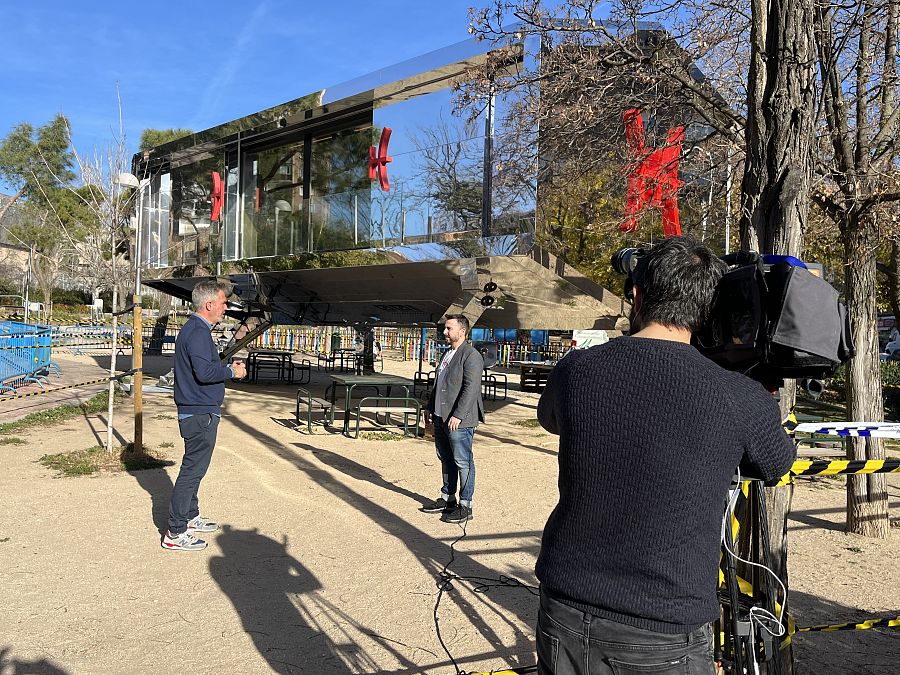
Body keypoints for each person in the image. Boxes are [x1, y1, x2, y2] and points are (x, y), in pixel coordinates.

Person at [534, 236, 796, 674]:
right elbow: (776, 462)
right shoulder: (736, 396)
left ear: (636, 295)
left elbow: (551, 418)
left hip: (563, 606)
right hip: (662, 628)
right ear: (707, 308)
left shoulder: (576, 371)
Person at [162, 280, 247, 552]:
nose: (226, 307)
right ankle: (175, 531)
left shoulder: (196, 330)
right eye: (223, 303)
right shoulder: (197, 332)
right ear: (209, 304)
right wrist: (232, 372)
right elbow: (205, 373)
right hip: (199, 413)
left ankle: (190, 515)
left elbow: (206, 366)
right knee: (192, 470)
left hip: (199, 410)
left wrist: (223, 365)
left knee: (196, 469)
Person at [421, 314, 485, 523]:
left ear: (462, 331)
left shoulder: (471, 356)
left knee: (463, 461)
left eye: (449, 329)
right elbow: (439, 384)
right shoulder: (447, 354)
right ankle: (447, 499)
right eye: (445, 328)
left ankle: (465, 506)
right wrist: (430, 407)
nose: (445, 332)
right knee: (445, 458)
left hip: (460, 421)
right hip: (441, 417)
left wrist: (458, 414)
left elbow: (471, 389)